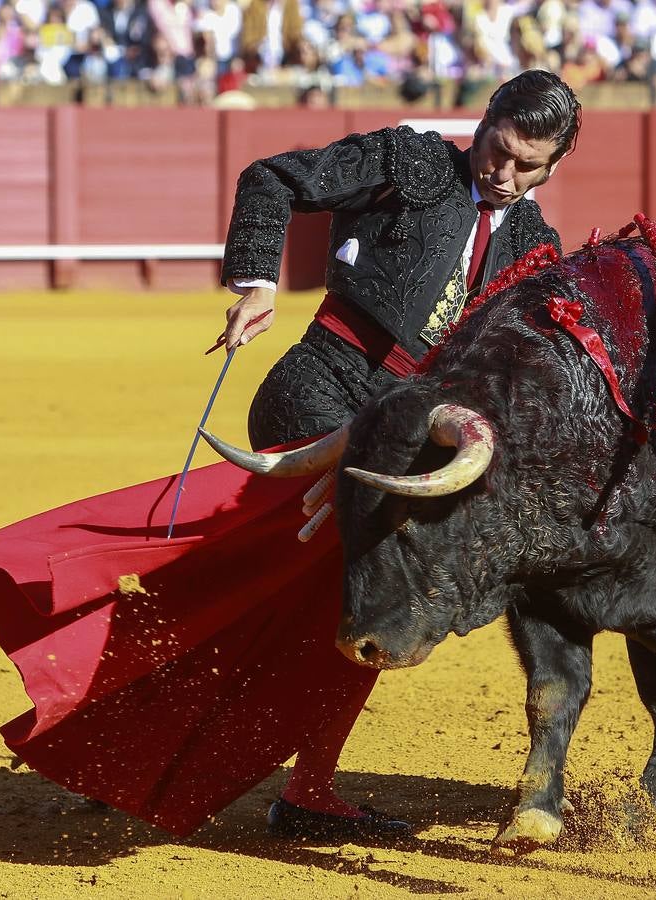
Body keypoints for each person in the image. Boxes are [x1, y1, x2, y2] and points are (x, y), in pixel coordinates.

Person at [213, 68, 579, 839]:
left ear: (553, 167)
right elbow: (271, 177)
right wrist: (256, 282)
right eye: (496, 149)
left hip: (404, 428)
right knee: (353, 589)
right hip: (318, 387)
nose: (502, 172)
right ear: (482, 125)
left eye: (525, 165)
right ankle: (301, 788)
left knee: (333, 597)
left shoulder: (536, 248)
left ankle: (275, 773)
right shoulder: (411, 164)